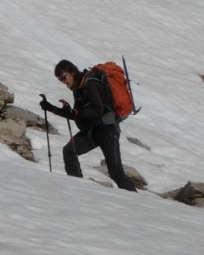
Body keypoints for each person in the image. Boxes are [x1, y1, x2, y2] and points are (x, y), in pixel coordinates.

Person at [41, 60, 138, 191]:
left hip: (107, 131)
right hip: (92, 131)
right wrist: (52, 109)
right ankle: (77, 190)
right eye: (59, 79)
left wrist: (74, 111)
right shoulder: (77, 87)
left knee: (116, 173)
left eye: (63, 77)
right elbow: (78, 114)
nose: (63, 81)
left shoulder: (90, 84)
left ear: (72, 72)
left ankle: (135, 204)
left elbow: (98, 110)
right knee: (70, 151)